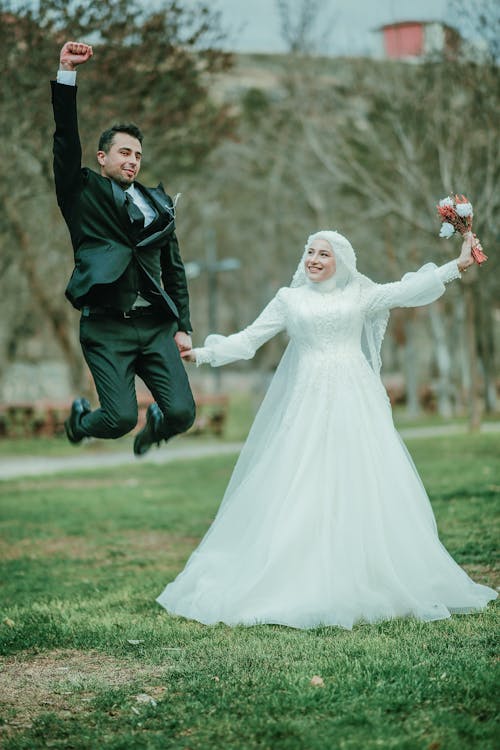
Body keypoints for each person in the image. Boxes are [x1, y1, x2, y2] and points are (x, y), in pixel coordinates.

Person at [156, 230, 497, 629]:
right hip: (306, 402)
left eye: (324, 254)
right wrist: (203, 354)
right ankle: (297, 576)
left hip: (356, 401)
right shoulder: (289, 299)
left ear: (342, 262)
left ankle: (367, 573)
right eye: (310, 253)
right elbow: (249, 340)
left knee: (362, 480)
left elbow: (407, 289)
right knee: (301, 481)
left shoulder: (360, 295)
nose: (314, 260)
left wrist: (457, 264)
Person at [51, 41, 195, 456]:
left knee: (183, 414)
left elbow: (174, 270)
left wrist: (183, 325)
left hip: (154, 327)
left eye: (138, 155)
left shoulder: (159, 205)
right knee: (117, 420)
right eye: (124, 152)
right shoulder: (83, 194)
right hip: (106, 327)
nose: (132, 161)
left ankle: (154, 432)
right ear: (103, 157)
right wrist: (66, 73)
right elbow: (64, 142)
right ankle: (81, 420)